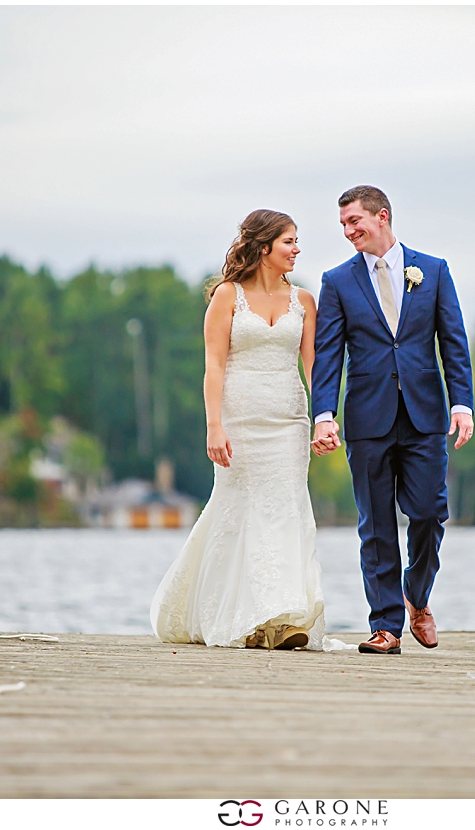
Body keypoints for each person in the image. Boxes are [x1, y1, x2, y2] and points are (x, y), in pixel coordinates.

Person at [150, 209, 329, 650]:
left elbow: (314, 366)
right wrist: (214, 426)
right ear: (264, 246)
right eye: (289, 241)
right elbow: (213, 365)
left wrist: (326, 418)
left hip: (288, 420)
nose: (297, 249)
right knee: (240, 509)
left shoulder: (304, 301)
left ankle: (284, 619)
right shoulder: (227, 296)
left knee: (286, 510)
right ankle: (243, 617)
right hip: (239, 421)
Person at [310, 186, 474, 655]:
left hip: (425, 416)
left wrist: (461, 404)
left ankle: (417, 594)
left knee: (428, 514)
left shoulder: (434, 271)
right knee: (376, 524)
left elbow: (454, 343)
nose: (348, 231)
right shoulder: (337, 281)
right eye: (342, 224)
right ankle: (386, 625)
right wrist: (325, 415)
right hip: (367, 418)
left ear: (382, 216)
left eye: (355, 221)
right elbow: (328, 355)